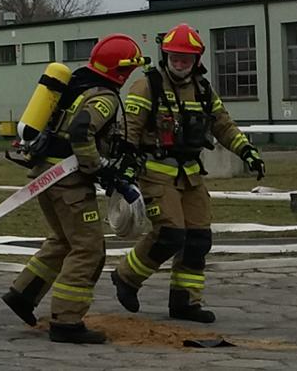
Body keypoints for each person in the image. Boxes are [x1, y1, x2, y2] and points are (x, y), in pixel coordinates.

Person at [111, 23, 264, 324]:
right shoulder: (147, 86)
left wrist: (247, 151)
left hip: (191, 174)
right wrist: (127, 162)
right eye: (174, 58)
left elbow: (223, 125)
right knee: (170, 234)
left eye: (185, 59)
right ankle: (126, 277)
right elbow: (130, 127)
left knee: (198, 239)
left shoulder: (204, 89)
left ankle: (185, 302)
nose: (179, 64)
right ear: (165, 56)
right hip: (155, 172)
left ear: (196, 60)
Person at [1, 34, 148, 344]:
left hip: (46, 174)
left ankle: (23, 294)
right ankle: (67, 321)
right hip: (67, 182)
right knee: (88, 248)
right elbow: (82, 131)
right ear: (120, 72)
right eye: (129, 70)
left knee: (63, 240)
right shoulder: (105, 97)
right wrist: (99, 168)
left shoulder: (77, 83)